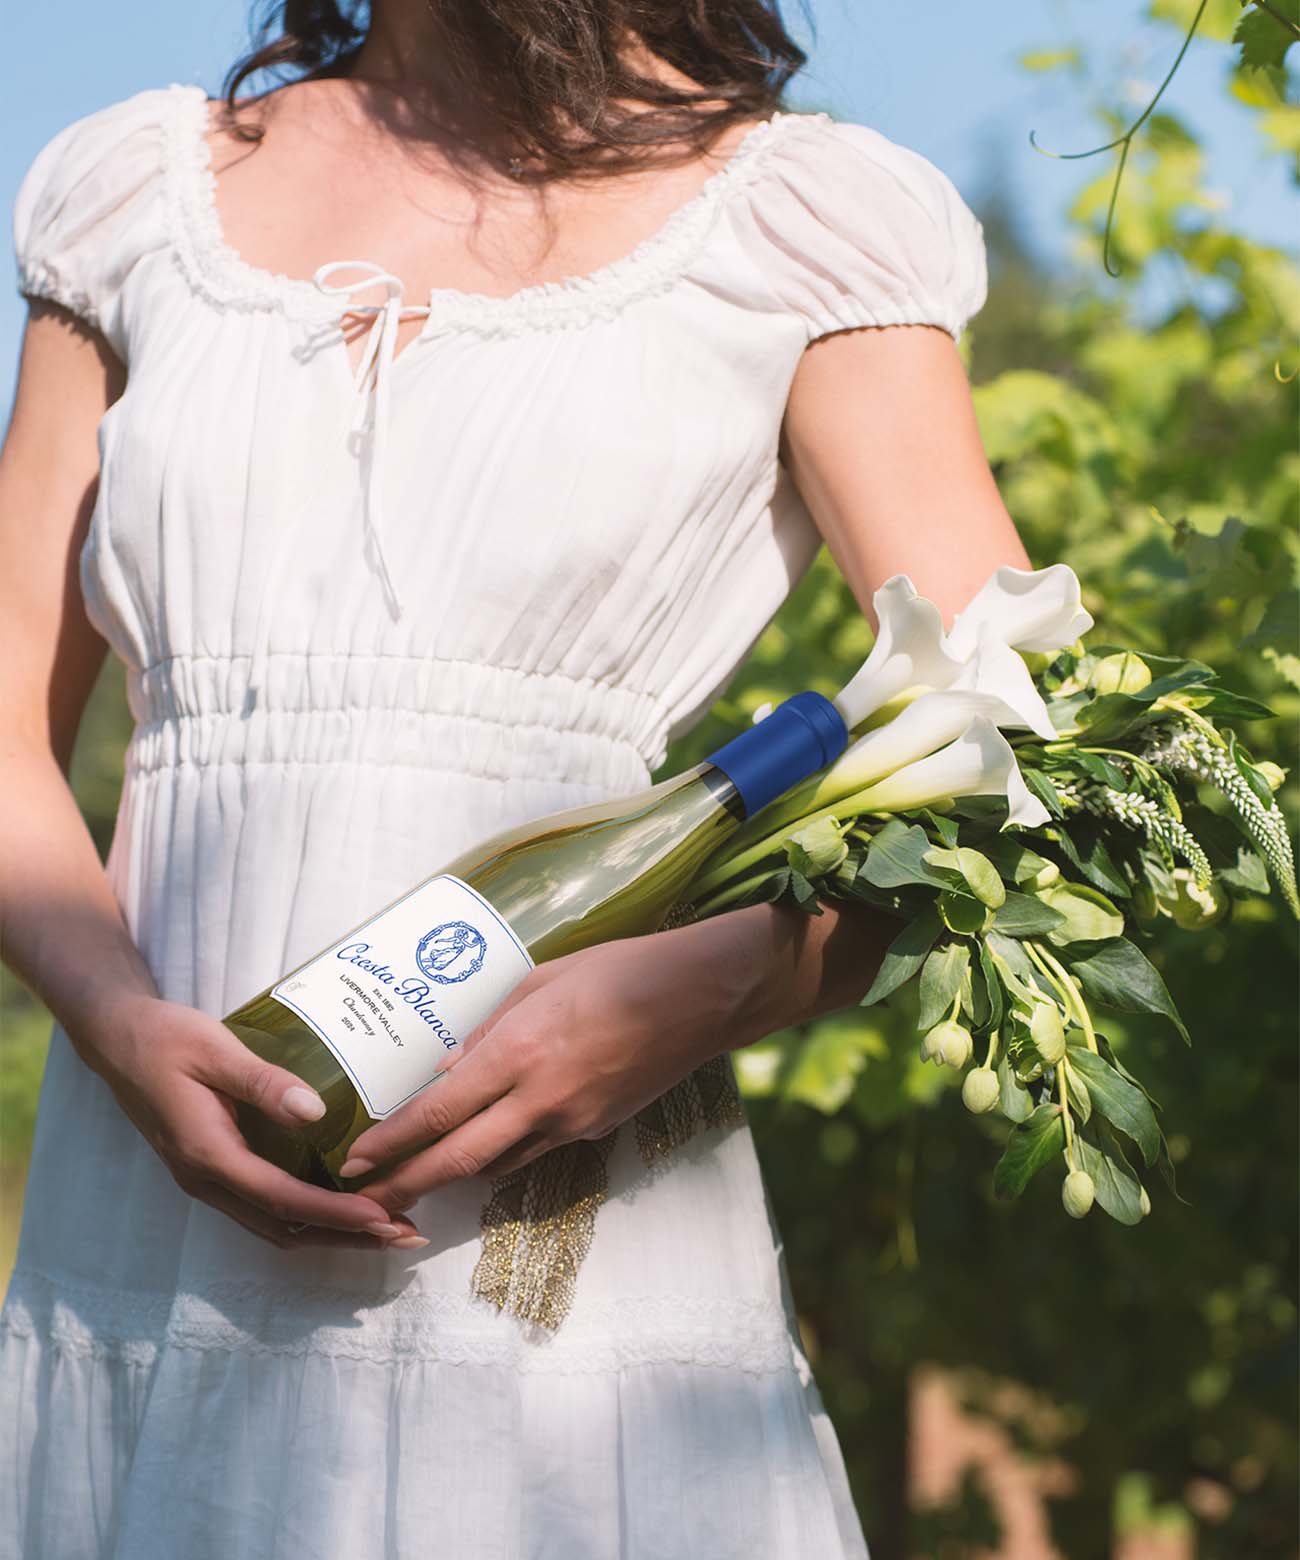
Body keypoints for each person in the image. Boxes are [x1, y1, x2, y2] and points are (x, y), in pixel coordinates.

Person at [0, 1, 1033, 1555]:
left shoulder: (805, 221)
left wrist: (715, 987)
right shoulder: (136, 193)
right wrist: (117, 1020)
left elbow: (1019, 740)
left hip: (564, 1251)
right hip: (146, 1218)